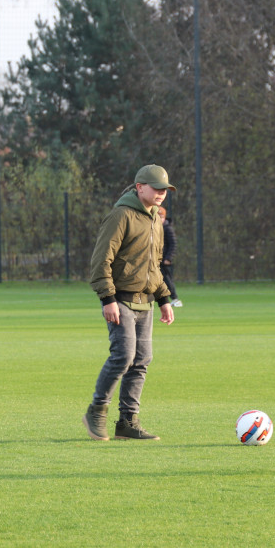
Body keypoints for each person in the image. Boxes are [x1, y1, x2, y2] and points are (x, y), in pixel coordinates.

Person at [83, 164, 176, 441]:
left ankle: (127, 423)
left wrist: (164, 298)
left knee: (141, 361)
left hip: (145, 302)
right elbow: (101, 260)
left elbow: (153, 265)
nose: (161, 193)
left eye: (164, 189)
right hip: (120, 300)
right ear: (139, 187)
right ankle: (96, 411)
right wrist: (107, 299)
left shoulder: (156, 220)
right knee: (123, 356)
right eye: (156, 188)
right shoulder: (121, 215)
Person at [157, 205, 182, 307]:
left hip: (164, 260)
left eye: (161, 217)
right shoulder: (154, 228)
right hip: (156, 260)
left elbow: (173, 244)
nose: (159, 219)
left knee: (167, 280)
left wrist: (168, 258)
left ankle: (175, 299)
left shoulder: (168, 229)